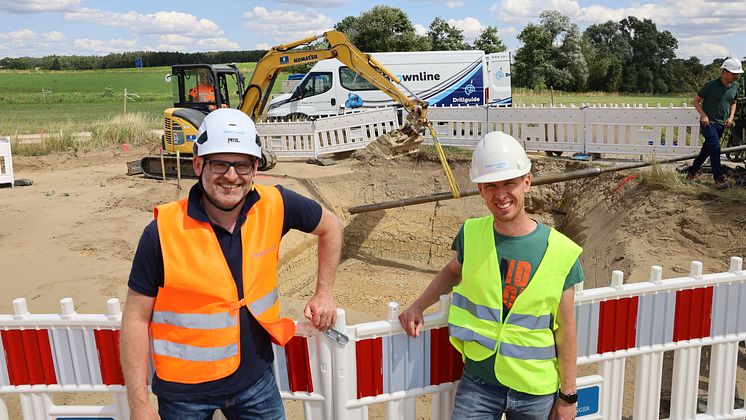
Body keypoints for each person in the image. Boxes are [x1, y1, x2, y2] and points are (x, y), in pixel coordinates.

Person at [120, 108, 342, 420]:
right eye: (219, 163)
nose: (231, 176)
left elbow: (331, 226)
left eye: (241, 164)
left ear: (255, 167)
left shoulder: (275, 205)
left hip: (255, 383)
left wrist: (324, 293)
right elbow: (135, 319)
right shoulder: (161, 232)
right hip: (184, 393)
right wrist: (139, 406)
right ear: (198, 164)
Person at [399, 131, 584, 420]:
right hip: (479, 382)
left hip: (535, 389)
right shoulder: (471, 234)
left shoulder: (560, 251)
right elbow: (452, 272)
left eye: (509, 183)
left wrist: (568, 395)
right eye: (490, 185)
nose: (501, 194)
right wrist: (418, 305)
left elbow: (566, 330)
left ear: (526, 182)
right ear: (480, 190)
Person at [688, 57, 743, 186]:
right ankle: (719, 179)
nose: (736, 76)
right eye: (733, 74)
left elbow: (734, 102)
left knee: (706, 150)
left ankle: (691, 172)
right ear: (724, 72)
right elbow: (696, 101)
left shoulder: (735, 86)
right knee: (716, 148)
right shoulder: (711, 85)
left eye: (737, 74)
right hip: (708, 123)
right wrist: (703, 115)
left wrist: (731, 117)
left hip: (721, 123)